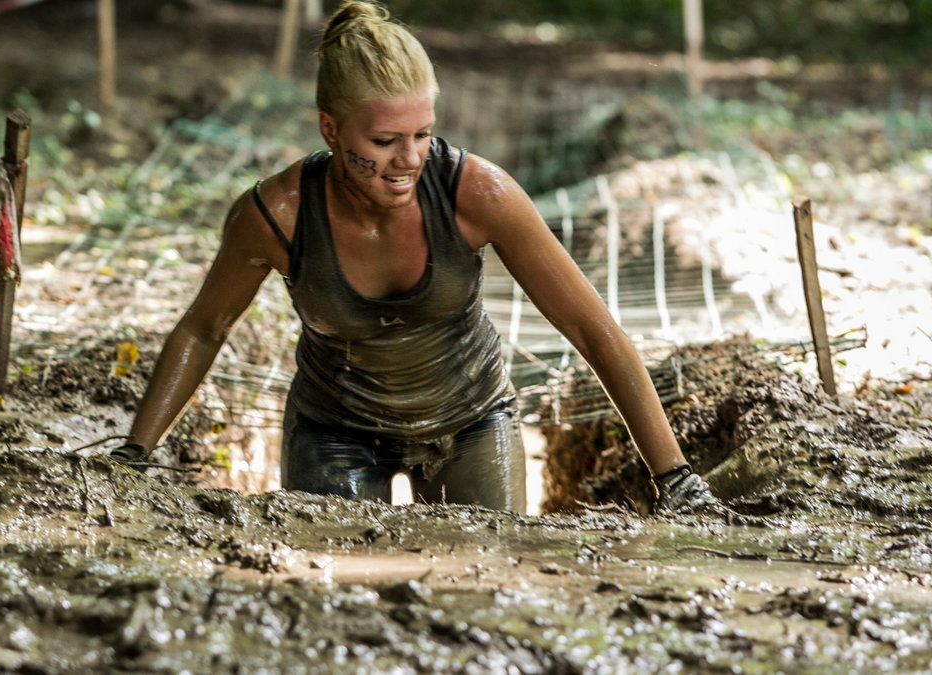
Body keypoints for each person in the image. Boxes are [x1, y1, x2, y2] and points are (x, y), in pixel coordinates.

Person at [114, 0, 716, 514]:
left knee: (484, 580)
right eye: (384, 141)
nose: (409, 159)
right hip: (333, 432)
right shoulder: (276, 215)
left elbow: (592, 327)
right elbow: (204, 327)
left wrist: (675, 477)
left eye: (422, 134)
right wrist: (134, 455)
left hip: (471, 422)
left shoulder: (478, 195)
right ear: (331, 130)